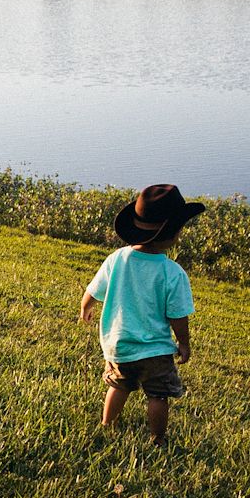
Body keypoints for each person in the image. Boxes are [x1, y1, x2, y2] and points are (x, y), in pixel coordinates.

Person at [79, 184, 203, 446]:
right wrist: (184, 342)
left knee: (119, 386)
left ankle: (107, 424)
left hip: (119, 344)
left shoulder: (116, 259)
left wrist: (85, 307)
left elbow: (93, 290)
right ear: (173, 234)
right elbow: (178, 316)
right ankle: (157, 439)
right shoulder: (173, 272)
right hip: (155, 351)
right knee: (158, 396)